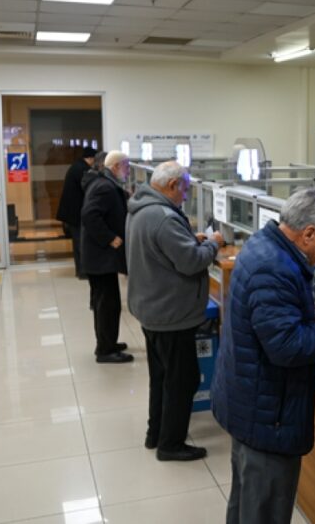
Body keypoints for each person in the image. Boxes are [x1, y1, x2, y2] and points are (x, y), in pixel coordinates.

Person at [211, 188, 315, 524]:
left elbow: (272, 326)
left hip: (252, 405)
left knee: (245, 504)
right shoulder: (274, 267)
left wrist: (304, 315)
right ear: (308, 234)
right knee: (264, 511)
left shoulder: (265, 246)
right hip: (268, 416)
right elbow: (288, 347)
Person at [126, 161, 224, 461]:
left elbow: (161, 249)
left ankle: (155, 433)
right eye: (185, 189)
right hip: (171, 315)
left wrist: (189, 240)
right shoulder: (164, 217)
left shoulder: (142, 209)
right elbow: (191, 262)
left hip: (152, 309)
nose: (186, 195)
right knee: (183, 380)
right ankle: (171, 444)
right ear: (172, 186)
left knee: (161, 377)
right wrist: (214, 245)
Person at [81, 151, 132, 364]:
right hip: (101, 258)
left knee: (107, 303)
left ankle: (108, 342)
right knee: (106, 304)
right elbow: (89, 215)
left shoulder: (105, 184)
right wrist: (110, 238)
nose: (128, 172)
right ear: (116, 166)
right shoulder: (104, 187)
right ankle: (105, 350)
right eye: (126, 167)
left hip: (100, 258)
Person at [56, 146, 96, 278]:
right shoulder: (83, 169)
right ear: (90, 158)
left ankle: (80, 270)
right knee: (80, 242)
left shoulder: (77, 166)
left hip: (71, 212)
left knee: (78, 241)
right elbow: (88, 190)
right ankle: (83, 272)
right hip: (75, 213)